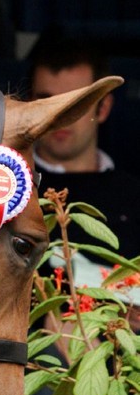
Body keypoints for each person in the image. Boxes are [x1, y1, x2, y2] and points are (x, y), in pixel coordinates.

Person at [27, 31, 140, 259]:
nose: (60, 116)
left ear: (104, 108)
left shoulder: (133, 197)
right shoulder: (6, 189)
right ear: (29, 104)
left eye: (76, 102)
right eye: (47, 101)